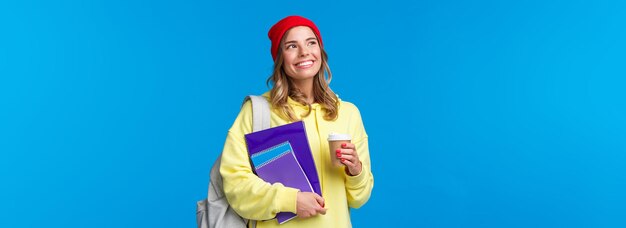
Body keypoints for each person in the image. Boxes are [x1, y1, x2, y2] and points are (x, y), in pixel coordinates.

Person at [219, 15, 374, 228]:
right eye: (292, 46)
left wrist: (356, 171)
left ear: (321, 51)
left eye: (311, 43)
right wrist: (291, 201)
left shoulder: (348, 113)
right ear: (280, 58)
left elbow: (360, 198)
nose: (304, 52)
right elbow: (236, 185)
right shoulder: (258, 112)